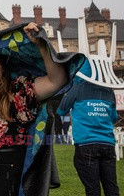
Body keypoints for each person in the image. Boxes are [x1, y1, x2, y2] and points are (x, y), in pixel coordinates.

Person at [0, 22, 68, 196]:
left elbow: (57, 81)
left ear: (2, 67)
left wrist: (40, 44)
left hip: (4, 170)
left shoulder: (18, 92)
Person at [57, 60, 119, 196]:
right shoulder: (108, 90)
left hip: (86, 144)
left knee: (92, 189)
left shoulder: (78, 88)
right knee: (111, 187)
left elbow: (61, 110)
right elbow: (114, 117)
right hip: (107, 144)